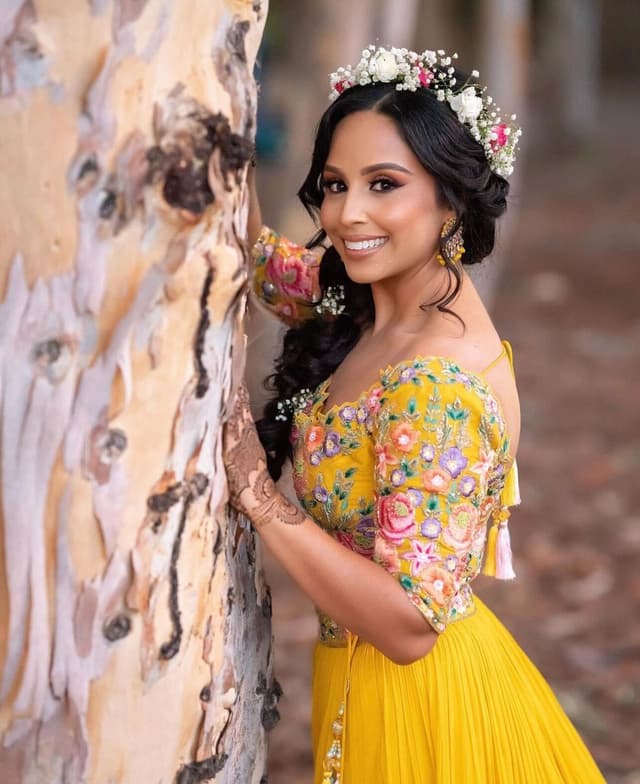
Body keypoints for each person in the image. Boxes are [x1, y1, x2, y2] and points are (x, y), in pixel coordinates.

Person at [223, 46, 605, 783]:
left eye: (384, 184)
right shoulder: (372, 302)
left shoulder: (434, 388)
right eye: (335, 184)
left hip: (423, 716)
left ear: (452, 199)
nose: (346, 213)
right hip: (361, 688)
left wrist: (261, 499)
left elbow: (407, 626)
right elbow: (260, 261)